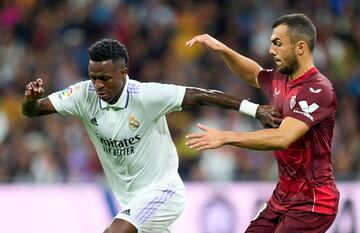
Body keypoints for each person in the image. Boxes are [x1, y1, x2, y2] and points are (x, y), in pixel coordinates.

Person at [22, 38, 281, 233]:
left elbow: (199, 95)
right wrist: (30, 101)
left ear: (123, 73)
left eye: (105, 78)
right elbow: (33, 112)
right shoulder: (83, 95)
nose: (98, 85)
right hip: (129, 199)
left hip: (164, 192)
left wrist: (255, 109)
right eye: (93, 78)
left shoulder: (146, 96)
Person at [185, 13, 339, 233]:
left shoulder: (318, 89)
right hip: (283, 196)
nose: (271, 50)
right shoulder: (280, 78)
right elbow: (253, 73)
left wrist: (226, 137)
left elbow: (283, 137)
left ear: (300, 47)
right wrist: (222, 49)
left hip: (313, 201)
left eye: (278, 43)